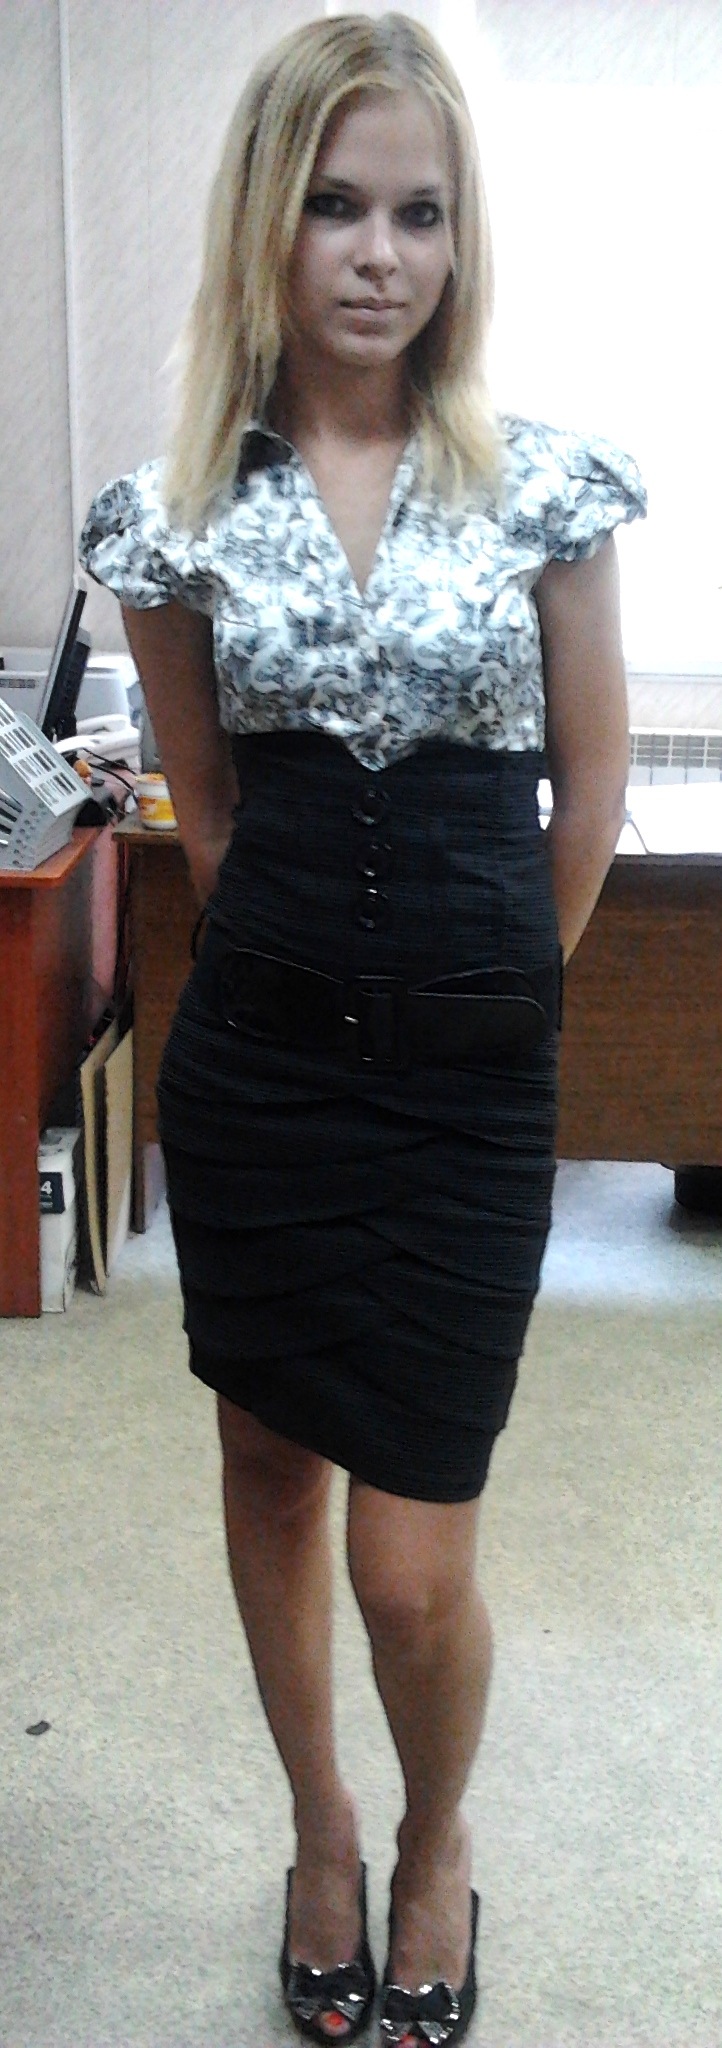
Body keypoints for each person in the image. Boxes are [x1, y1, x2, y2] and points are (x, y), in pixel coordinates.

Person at [78, 13, 646, 2044]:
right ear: (267, 219)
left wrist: (487, 1003)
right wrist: (314, 990)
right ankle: (323, 1834)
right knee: (267, 1473)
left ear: (459, 237)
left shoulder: (544, 489)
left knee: (411, 1565)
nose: (379, 253)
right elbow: (210, 809)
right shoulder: (171, 513)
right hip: (263, 1072)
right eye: (335, 205)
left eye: (419, 211)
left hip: (466, 1089)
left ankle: (436, 1837)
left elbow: (590, 795)